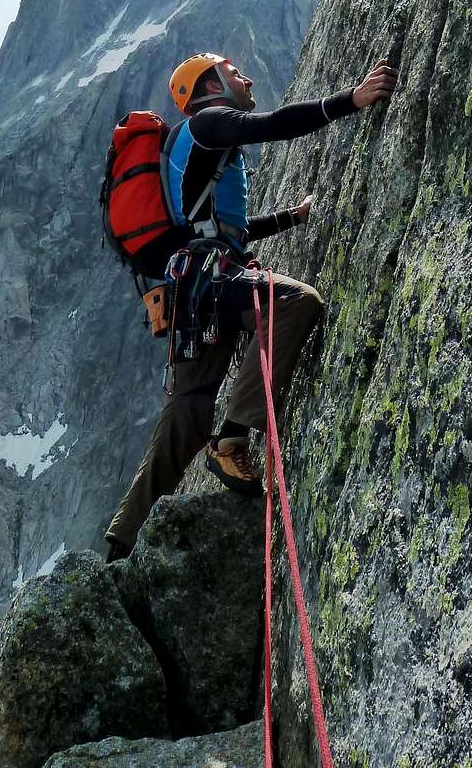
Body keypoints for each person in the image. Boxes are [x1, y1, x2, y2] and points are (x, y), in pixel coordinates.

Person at [104, 53, 397, 559]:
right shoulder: (208, 123)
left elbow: (220, 228)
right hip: (213, 280)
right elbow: (275, 124)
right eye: (234, 72)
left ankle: (123, 539)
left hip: (192, 289)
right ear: (209, 84)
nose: (247, 78)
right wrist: (350, 99)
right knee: (294, 302)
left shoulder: (189, 146)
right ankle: (233, 439)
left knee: (186, 413)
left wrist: (287, 218)